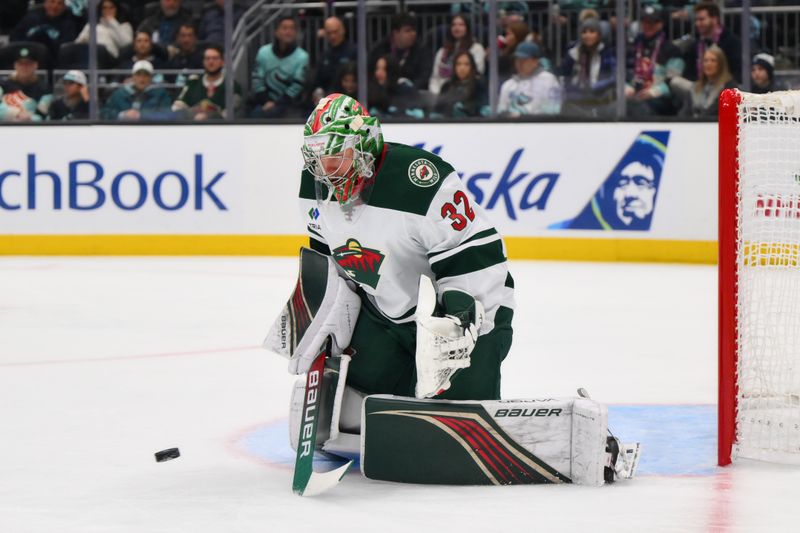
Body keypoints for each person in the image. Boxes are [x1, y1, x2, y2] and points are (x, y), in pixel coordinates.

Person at [296, 92, 515, 401]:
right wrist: (318, 315)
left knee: (454, 413)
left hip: (468, 312)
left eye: (335, 155)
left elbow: (475, 255)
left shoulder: (419, 181)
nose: (325, 168)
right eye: (317, 157)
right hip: (388, 315)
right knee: (354, 389)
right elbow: (327, 260)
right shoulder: (313, 185)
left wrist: (457, 321)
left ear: (364, 145)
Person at [625, 4, 685, 117]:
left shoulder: (672, 50)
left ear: (661, 24)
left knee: (643, 107)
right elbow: (623, 72)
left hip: (660, 99)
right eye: (645, 22)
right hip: (633, 94)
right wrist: (626, 87)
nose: (648, 25)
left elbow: (674, 82)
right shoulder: (632, 47)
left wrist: (653, 92)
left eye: (653, 22)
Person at [250, 16, 309, 119]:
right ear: (276, 32)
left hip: (290, 105)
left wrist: (277, 104)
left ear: (295, 33)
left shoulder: (302, 56)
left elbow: (297, 86)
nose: (288, 31)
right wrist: (267, 101)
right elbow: (257, 80)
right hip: (264, 102)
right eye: (284, 28)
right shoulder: (263, 52)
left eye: (292, 28)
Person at [560, 17, 616, 118]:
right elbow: (565, 75)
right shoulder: (573, 52)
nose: (587, 35)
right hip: (577, 95)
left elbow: (613, 76)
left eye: (591, 31)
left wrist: (597, 86)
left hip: (600, 95)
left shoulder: (607, 53)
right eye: (584, 32)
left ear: (598, 35)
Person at [172, 44, 241, 120]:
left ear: (222, 62)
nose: (211, 62)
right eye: (207, 58)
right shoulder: (193, 82)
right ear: (203, 62)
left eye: (215, 58)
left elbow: (229, 115)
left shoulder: (232, 86)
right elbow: (177, 107)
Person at [368, 13, 433, 92]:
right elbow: (370, 74)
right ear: (396, 33)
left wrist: (409, 89)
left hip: (412, 93)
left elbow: (424, 77)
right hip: (382, 92)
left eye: (414, 30)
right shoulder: (379, 50)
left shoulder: (423, 51)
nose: (413, 34)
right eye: (408, 30)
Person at [682, 1, 742, 82]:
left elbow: (737, 73)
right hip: (698, 88)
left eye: (701, 19)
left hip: (724, 88)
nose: (697, 23)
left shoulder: (732, 42)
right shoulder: (696, 45)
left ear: (714, 19)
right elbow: (688, 73)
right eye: (696, 20)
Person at [497, 41, 562, 117]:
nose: (520, 64)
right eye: (517, 60)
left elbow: (553, 109)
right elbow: (501, 110)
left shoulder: (549, 80)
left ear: (535, 61)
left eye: (524, 60)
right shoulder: (508, 85)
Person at [428, 15, 486, 95]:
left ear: (467, 28)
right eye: (454, 25)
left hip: (467, 91)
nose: (456, 28)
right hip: (441, 93)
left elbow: (478, 73)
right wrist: (437, 93)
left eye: (461, 25)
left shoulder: (477, 49)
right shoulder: (442, 51)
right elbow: (435, 77)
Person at [673, 45, 736, 118]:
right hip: (693, 126)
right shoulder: (695, 87)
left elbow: (716, 111)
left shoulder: (729, 87)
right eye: (706, 60)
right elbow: (686, 111)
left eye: (713, 60)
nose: (708, 64)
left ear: (721, 64)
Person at [101, 60, 172, 120]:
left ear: (151, 77)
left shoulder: (161, 94)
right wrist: (122, 115)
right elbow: (104, 113)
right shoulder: (119, 94)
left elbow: (167, 114)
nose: (142, 79)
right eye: (138, 75)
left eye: (146, 75)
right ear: (133, 76)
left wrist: (142, 115)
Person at [10, 0, 78, 61]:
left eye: (60, 3)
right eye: (52, 1)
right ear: (45, 3)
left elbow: (65, 48)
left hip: (51, 60)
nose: (55, 6)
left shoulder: (68, 24)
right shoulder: (31, 18)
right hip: (24, 56)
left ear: (64, 7)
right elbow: (14, 37)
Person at [311, 16, 358, 100]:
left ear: (343, 30)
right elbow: (317, 81)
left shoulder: (355, 52)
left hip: (350, 98)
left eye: (335, 32)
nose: (332, 36)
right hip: (328, 99)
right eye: (329, 33)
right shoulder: (324, 55)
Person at [0, 46, 52, 122]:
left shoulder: (45, 89)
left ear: (35, 65)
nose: (24, 67)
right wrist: (16, 113)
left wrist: (29, 118)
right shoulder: (2, 85)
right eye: (21, 63)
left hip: (30, 129)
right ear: (15, 65)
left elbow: (43, 116)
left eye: (28, 63)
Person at [433, 51, 488, 118]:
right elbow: (438, 110)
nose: (462, 68)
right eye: (458, 64)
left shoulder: (479, 85)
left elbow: (482, 108)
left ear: (472, 67)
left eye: (466, 64)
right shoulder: (447, 86)